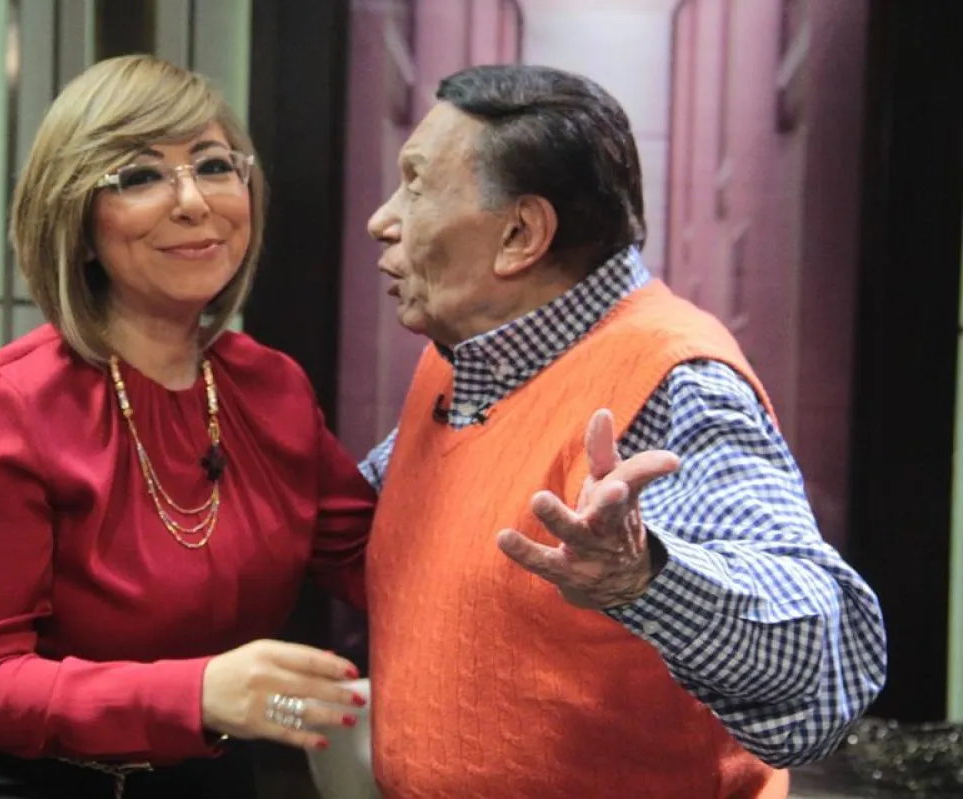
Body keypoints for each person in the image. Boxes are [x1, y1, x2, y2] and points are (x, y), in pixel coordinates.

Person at [359, 65, 887, 798]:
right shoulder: (470, 359)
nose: (382, 220)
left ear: (520, 234)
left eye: (415, 187)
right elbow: (373, 518)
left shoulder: (672, 379)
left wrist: (645, 577)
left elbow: (828, 659)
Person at [0, 54, 374, 799]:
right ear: (77, 224)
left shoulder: (272, 388)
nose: (193, 201)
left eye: (214, 166)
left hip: (212, 779)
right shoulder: (6, 402)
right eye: (139, 176)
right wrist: (194, 694)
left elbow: (377, 562)